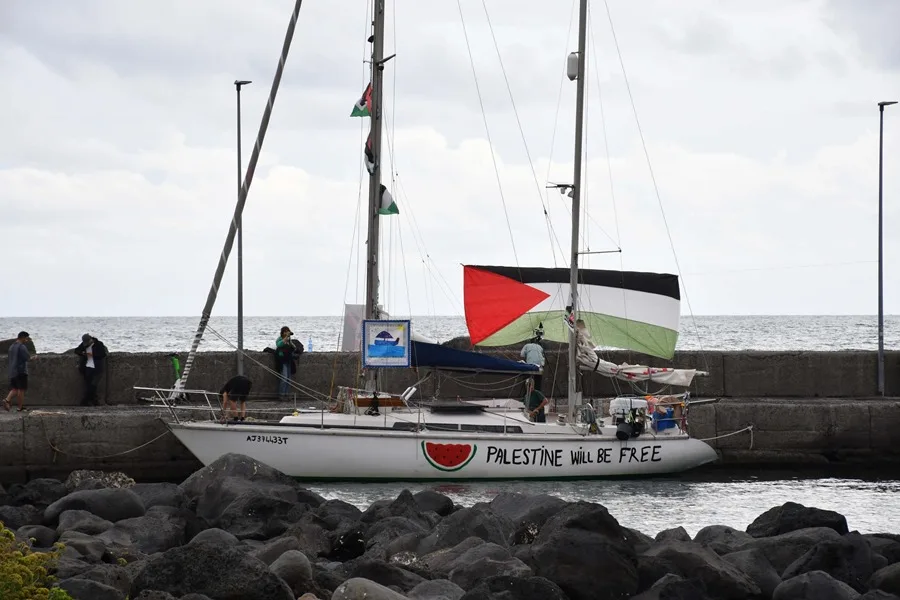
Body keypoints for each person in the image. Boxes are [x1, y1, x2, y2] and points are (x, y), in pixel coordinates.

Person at [5, 331, 36, 412]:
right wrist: (34, 358)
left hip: (13, 371)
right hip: (21, 371)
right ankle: (20, 407)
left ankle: (7, 400)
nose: (27, 340)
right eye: (26, 338)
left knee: (15, 388)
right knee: (21, 390)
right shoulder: (22, 347)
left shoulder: (11, 346)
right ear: (22, 337)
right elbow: (27, 358)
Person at [74, 333, 108, 406]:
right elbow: (76, 350)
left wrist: (91, 354)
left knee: (93, 385)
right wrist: (82, 353)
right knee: (89, 385)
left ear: (91, 340)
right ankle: (94, 401)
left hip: (97, 368)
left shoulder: (99, 344)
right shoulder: (83, 345)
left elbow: (103, 354)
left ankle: (84, 401)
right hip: (87, 368)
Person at [275, 326, 295, 398]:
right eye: (286, 331)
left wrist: (290, 342)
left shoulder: (289, 340)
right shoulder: (279, 339)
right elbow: (279, 344)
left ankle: (287, 394)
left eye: (288, 331)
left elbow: (294, 347)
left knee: (288, 379)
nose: (287, 333)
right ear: (283, 332)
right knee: (284, 378)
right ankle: (281, 394)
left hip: (288, 360)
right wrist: (286, 338)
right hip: (282, 361)